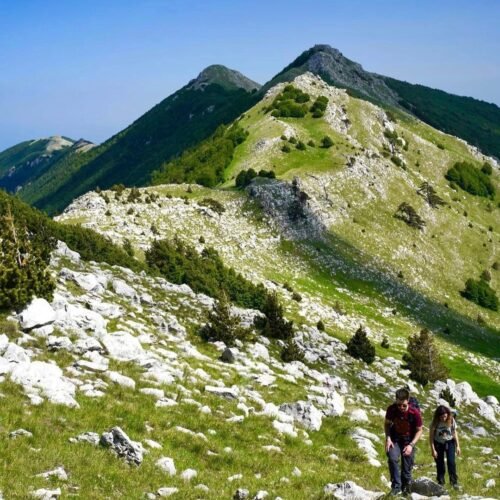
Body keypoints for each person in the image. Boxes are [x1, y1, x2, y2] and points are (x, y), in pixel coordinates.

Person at [385, 387, 423, 495]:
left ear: (408, 401)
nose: (401, 407)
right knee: (392, 458)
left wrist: (411, 445)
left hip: (409, 441)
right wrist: (388, 438)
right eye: (398, 405)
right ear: (396, 401)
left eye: (404, 405)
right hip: (395, 439)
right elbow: (387, 424)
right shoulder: (391, 409)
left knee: (406, 470)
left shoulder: (414, 412)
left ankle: (406, 489)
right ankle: (396, 487)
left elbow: (419, 430)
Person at [429, 405, 461, 489]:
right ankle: (441, 482)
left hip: (450, 442)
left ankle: (454, 482)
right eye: (441, 417)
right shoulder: (434, 422)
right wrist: (433, 449)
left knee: (451, 462)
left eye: (445, 416)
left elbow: (454, 432)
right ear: (438, 416)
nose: (443, 418)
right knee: (440, 463)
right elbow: (431, 437)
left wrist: (458, 446)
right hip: (438, 443)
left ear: (447, 415)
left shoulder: (451, 420)